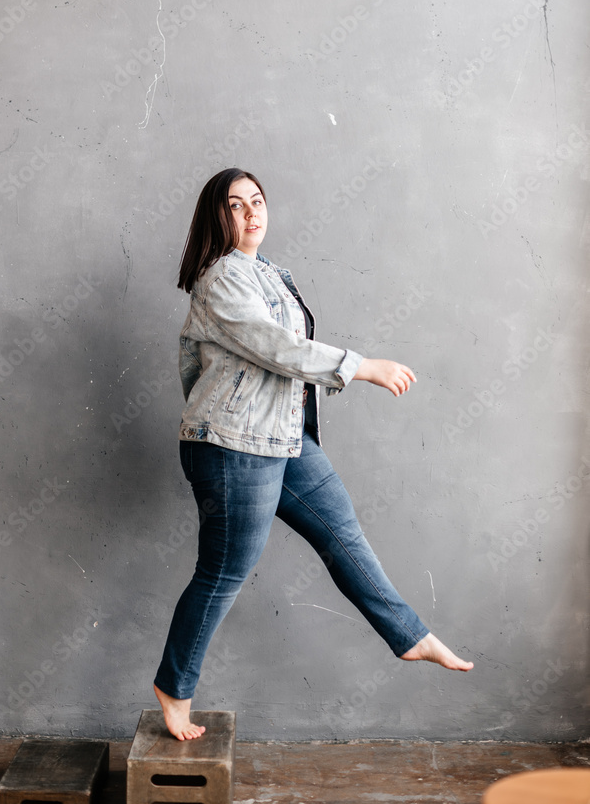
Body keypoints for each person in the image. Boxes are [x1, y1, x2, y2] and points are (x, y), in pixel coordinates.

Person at [153, 167, 473, 741]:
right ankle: (174, 688)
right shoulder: (223, 278)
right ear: (215, 217)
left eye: (257, 200)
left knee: (342, 536)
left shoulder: (269, 272)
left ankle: (409, 636)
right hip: (232, 446)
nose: (251, 212)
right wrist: (361, 366)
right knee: (223, 573)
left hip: (282, 436)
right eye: (234, 205)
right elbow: (279, 348)